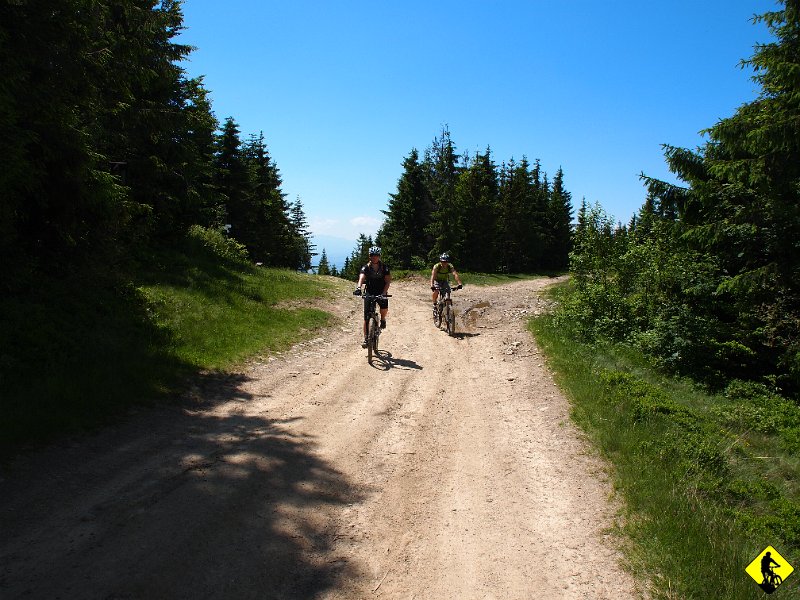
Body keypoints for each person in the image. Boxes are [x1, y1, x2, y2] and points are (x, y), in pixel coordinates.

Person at [353, 246, 391, 347]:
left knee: (384, 307)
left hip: (381, 291)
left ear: (379, 256)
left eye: (376, 255)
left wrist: (384, 292)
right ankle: (366, 339)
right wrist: (358, 288)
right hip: (369, 291)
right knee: (366, 317)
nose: (374, 257)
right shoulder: (366, 267)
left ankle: (382, 319)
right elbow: (361, 277)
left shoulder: (384, 267)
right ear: (369, 256)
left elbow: (387, 281)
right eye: (372, 255)